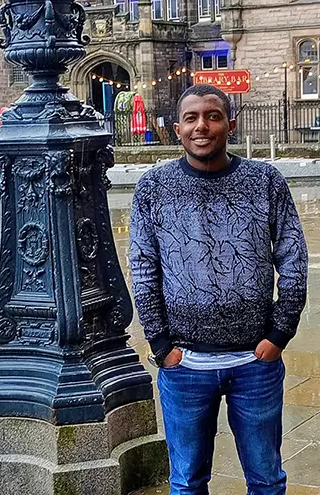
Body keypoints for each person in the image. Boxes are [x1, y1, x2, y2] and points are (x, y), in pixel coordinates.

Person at [129, 85, 308, 495]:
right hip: (185, 364)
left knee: (266, 478)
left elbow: (293, 257)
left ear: (230, 123)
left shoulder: (264, 181)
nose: (202, 126)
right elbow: (142, 268)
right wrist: (161, 345)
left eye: (212, 116)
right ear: (177, 129)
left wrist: (279, 334)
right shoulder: (154, 187)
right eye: (191, 118)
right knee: (188, 481)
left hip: (255, 362)